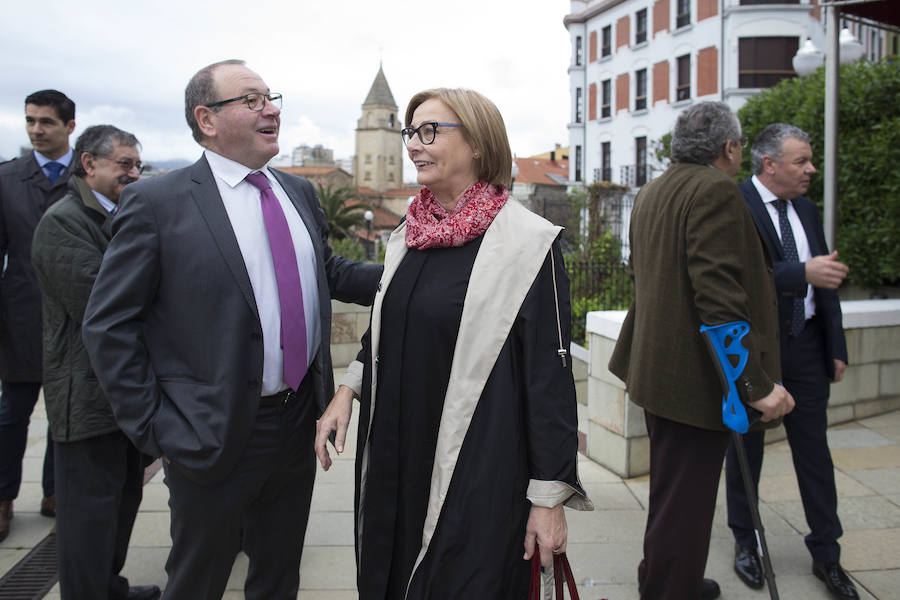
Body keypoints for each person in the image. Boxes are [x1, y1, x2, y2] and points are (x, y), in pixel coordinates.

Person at [82, 60, 381, 599]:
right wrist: (157, 428)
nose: (271, 110)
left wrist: (412, 275)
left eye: (271, 97)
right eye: (251, 100)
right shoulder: (156, 203)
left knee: (278, 575)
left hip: (297, 423)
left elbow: (325, 270)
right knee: (198, 579)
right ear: (207, 119)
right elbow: (109, 325)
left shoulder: (297, 191)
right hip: (208, 432)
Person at [315, 88, 592, 599]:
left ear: (479, 144)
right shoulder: (410, 233)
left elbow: (549, 382)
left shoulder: (529, 244)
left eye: (430, 132)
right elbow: (388, 325)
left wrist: (548, 499)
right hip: (395, 460)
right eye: (411, 132)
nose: (413, 145)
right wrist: (348, 389)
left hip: (477, 468)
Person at [608, 101, 795, 600]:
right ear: (730, 148)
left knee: (672, 496)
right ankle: (670, 589)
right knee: (685, 504)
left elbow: (646, 276)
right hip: (693, 380)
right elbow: (719, 297)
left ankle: (669, 580)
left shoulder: (653, 189)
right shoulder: (715, 190)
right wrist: (754, 385)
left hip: (658, 370)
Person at [726, 123, 856, 599]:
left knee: (815, 452)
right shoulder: (735, 203)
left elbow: (827, 282)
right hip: (759, 352)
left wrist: (835, 346)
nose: (811, 170)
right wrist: (801, 272)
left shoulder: (806, 208)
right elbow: (739, 276)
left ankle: (827, 554)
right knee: (747, 452)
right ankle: (747, 542)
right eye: (801, 161)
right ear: (769, 164)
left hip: (807, 346)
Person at [31, 125, 160, 600]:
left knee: (122, 500)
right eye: (124, 164)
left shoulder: (120, 215)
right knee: (88, 513)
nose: (134, 174)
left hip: (122, 394)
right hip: (85, 393)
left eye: (138, 165)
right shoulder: (64, 222)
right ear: (89, 163)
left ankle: (110, 587)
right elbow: (102, 304)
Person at [0, 89, 75, 540]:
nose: (36, 130)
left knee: (65, 413)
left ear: (69, 126)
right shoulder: (6, 179)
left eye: (46, 121)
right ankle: (3, 496)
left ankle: (55, 491)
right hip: (20, 318)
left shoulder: (88, 175)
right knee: (12, 413)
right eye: (30, 121)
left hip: (73, 319)